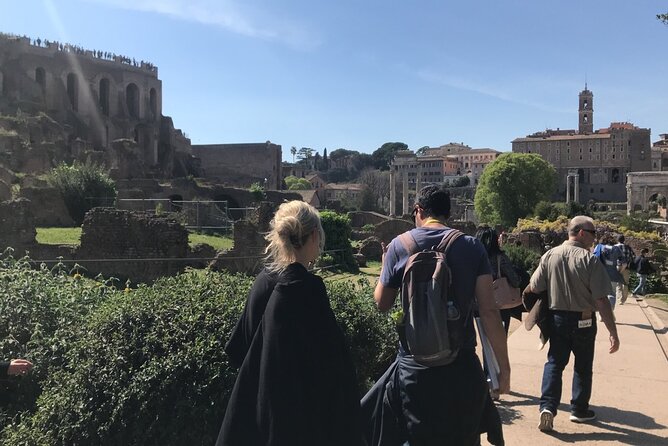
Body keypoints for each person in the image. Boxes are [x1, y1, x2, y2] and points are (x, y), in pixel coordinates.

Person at [364, 185, 510, 446]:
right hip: (461, 366)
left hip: (414, 368)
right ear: (448, 214)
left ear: (418, 210)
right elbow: (489, 311)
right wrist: (503, 368)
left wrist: (386, 263)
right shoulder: (471, 246)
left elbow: (382, 303)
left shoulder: (400, 245)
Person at [217, 201, 364, 446]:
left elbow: (240, 351)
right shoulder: (308, 290)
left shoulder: (262, 282)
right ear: (315, 236)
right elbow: (334, 369)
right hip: (301, 425)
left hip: (257, 421)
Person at [529, 216, 619, 432]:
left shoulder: (550, 255)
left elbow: (534, 286)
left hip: (557, 318)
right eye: (592, 233)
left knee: (554, 363)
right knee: (583, 366)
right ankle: (579, 410)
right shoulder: (589, 260)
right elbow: (601, 299)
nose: (594, 238)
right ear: (580, 233)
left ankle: (547, 407)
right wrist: (612, 331)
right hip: (584, 319)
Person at [475, 226, 522, 400]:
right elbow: (515, 281)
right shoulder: (500, 258)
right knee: (496, 344)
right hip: (499, 307)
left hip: (476, 306)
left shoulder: (473, 258)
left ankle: (481, 381)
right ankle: (493, 383)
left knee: (479, 345)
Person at [593, 236, 624, 313]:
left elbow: (594, 259)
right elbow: (624, 263)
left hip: (600, 274)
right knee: (612, 294)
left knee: (600, 294)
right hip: (613, 274)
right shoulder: (617, 249)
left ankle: (602, 313)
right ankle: (610, 311)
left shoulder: (599, 247)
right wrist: (619, 271)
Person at [614, 235, 635, 305]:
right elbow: (633, 257)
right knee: (625, 283)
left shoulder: (615, 247)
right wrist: (628, 262)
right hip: (626, 267)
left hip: (617, 266)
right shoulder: (628, 248)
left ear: (618, 240)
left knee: (618, 283)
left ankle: (619, 299)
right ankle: (623, 299)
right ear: (624, 240)